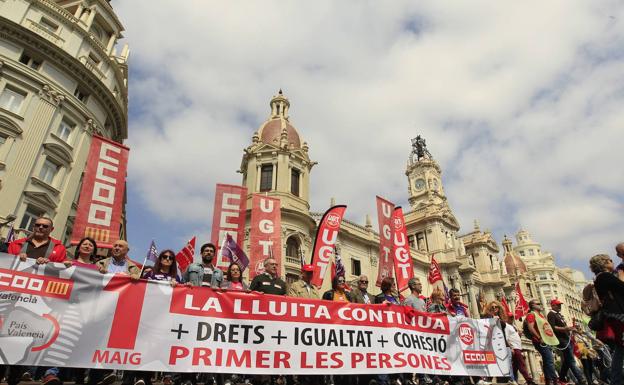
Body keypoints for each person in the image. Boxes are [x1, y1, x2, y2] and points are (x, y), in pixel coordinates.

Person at [590, 254, 624, 385]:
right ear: (604, 263)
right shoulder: (604, 277)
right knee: (621, 346)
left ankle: (616, 379)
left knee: (621, 347)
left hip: (614, 315)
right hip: (618, 315)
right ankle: (616, 379)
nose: (612, 261)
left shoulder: (601, 278)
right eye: (610, 260)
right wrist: (621, 274)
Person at [548, 298, 587, 385]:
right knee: (571, 360)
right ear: (552, 305)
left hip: (568, 339)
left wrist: (572, 329)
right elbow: (552, 327)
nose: (559, 306)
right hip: (562, 340)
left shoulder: (559, 315)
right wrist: (565, 328)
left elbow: (565, 327)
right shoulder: (551, 314)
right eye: (557, 305)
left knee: (567, 360)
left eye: (560, 305)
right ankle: (581, 378)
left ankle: (561, 377)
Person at [524, 299, 559, 385]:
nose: (540, 305)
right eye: (538, 304)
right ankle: (555, 380)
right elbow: (531, 328)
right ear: (532, 306)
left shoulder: (541, 315)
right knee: (549, 360)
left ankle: (548, 381)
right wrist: (539, 338)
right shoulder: (531, 315)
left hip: (547, 341)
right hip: (539, 341)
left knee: (547, 361)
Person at [505, 313, 535, 385]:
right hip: (514, 347)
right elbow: (506, 338)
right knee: (521, 364)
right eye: (510, 317)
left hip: (518, 347)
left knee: (515, 366)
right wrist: (510, 347)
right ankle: (529, 380)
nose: (511, 319)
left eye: (512, 317)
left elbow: (515, 337)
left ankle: (513, 380)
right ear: (506, 318)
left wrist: (519, 334)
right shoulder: (506, 326)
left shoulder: (514, 326)